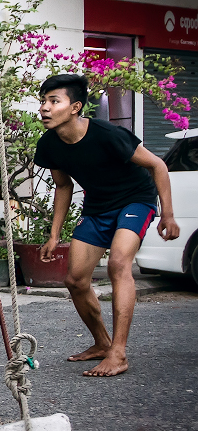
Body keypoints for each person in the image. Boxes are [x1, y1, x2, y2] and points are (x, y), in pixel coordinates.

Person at [34, 73, 179, 377]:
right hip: (98, 207)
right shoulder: (49, 145)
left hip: (134, 201)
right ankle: (102, 343)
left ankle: (118, 353)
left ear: (75, 107)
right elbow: (63, 186)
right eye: (43, 101)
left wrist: (167, 215)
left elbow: (157, 165)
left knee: (118, 263)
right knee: (75, 281)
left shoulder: (107, 134)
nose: (45, 107)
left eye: (54, 101)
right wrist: (54, 234)